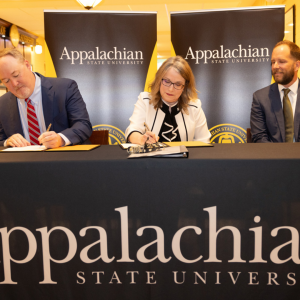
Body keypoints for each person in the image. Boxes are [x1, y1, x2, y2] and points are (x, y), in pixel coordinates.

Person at [0, 48, 92, 148]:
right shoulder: (2, 104)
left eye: (16, 75)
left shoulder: (65, 88)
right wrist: (7, 142)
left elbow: (83, 125)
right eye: (6, 81)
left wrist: (60, 139)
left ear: (27, 65)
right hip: (23, 162)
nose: (14, 84)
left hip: (65, 160)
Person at [125, 56, 211, 144]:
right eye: (167, 81)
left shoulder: (194, 106)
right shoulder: (145, 100)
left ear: (185, 87)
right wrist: (141, 139)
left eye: (178, 84)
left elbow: (204, 141)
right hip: (152, 158)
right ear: (159, 80)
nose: (170, 89)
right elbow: (133, 130)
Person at [250, 40, 300, 143]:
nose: (275, 66)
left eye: (281, 61)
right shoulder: (260, 98)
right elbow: (259, 137)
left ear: (297, 65)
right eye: (273, 62)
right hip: (273, 157)